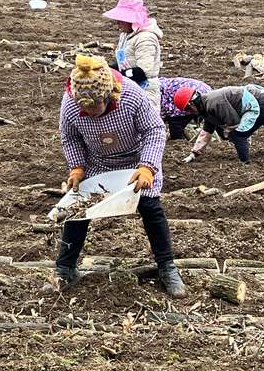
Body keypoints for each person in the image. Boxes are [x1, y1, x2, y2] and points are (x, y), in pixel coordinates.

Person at [55, 55, 186, 298]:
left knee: (150, 208)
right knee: (77, 210)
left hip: (136, 160)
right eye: (86, 109)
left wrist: (147, 166)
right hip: (98, 162)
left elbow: (154, 130)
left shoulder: (132, 96)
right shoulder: (70, 103)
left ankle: (167, 266)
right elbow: (69, 136)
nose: (91, 114)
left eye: (96, 107)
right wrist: (77, 167)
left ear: (109, 95)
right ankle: (65, 269)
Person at [173, 83, 264, 165]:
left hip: (262, 103)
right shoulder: (205, 106)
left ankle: (245, 164)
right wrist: (193, 154)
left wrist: (229, 134)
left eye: (188, 109)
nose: (190, 113)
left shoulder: (214, 102)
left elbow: (233, 123)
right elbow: (207, 131)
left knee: (237, 135)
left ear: (191, 103)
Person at [102, 0, 164, 111]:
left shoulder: (145, 38)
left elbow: (143, 72)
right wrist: (106, 69)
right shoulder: (125, 35)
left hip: (144, 91)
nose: (117, 23)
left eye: (121, 19)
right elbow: (123, 62)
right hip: (128, 86)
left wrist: (118, 76)